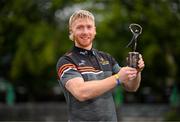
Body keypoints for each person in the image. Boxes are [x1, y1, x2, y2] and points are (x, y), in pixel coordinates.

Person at [56, 9, 145, 122]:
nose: (85, 31)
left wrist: (137, 71)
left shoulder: (106, 58)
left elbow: (131, 87)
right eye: (79, 27)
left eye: (89, 27)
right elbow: (81, 92)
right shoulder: (66, 60)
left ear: (94, 30)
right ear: (71, 31)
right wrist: (117, 78)